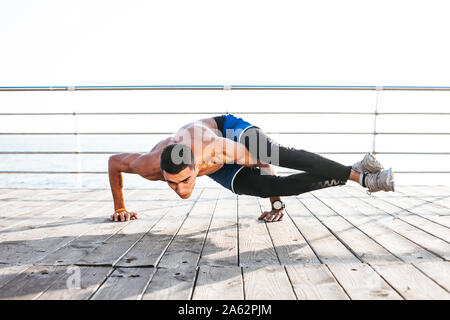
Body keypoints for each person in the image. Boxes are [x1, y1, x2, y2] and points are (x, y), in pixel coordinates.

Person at [108, 114, 394, 222]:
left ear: (195, 167)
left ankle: (360, 177)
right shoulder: (148, 165)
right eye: (172, 184)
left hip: (228, 130)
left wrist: (276, 203)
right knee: (263, 187)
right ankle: (355, 171)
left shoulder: (218, 148)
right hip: (213, 165)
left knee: (271, 151)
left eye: (184, 181)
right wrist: (120, 207)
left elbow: (265, 161)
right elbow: (114, 162)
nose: (180, 191)